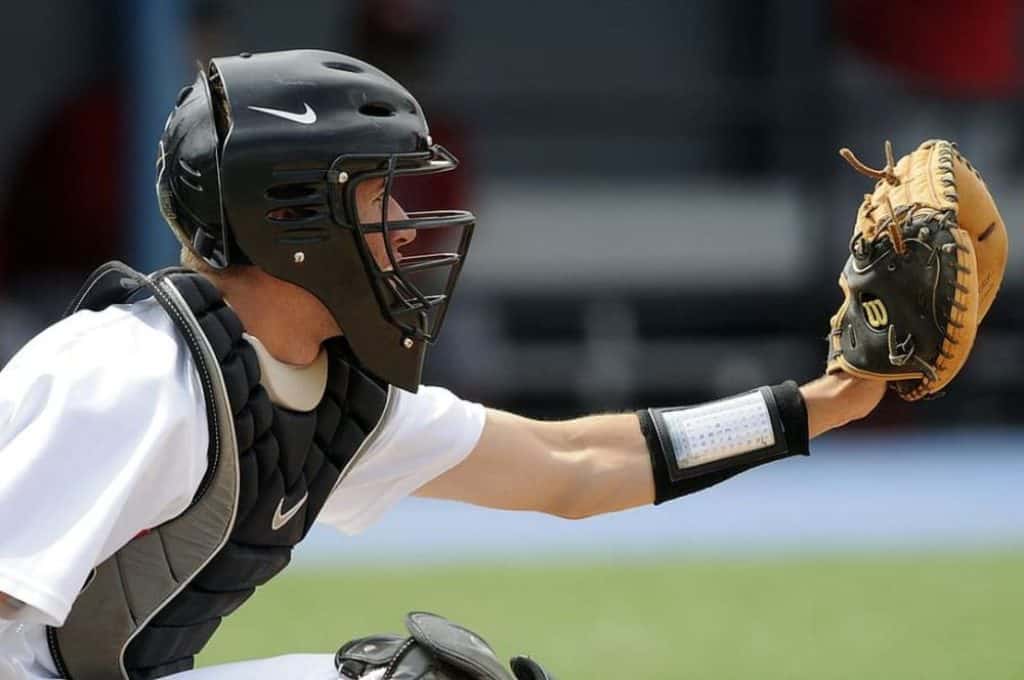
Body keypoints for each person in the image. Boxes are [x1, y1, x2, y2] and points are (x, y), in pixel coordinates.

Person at [0, 50, 885, 680]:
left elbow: (570, 468)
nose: (409, 230)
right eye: (381, 197)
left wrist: (831, 399)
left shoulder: (322, 389)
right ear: (293, 221)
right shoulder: (125, 377)